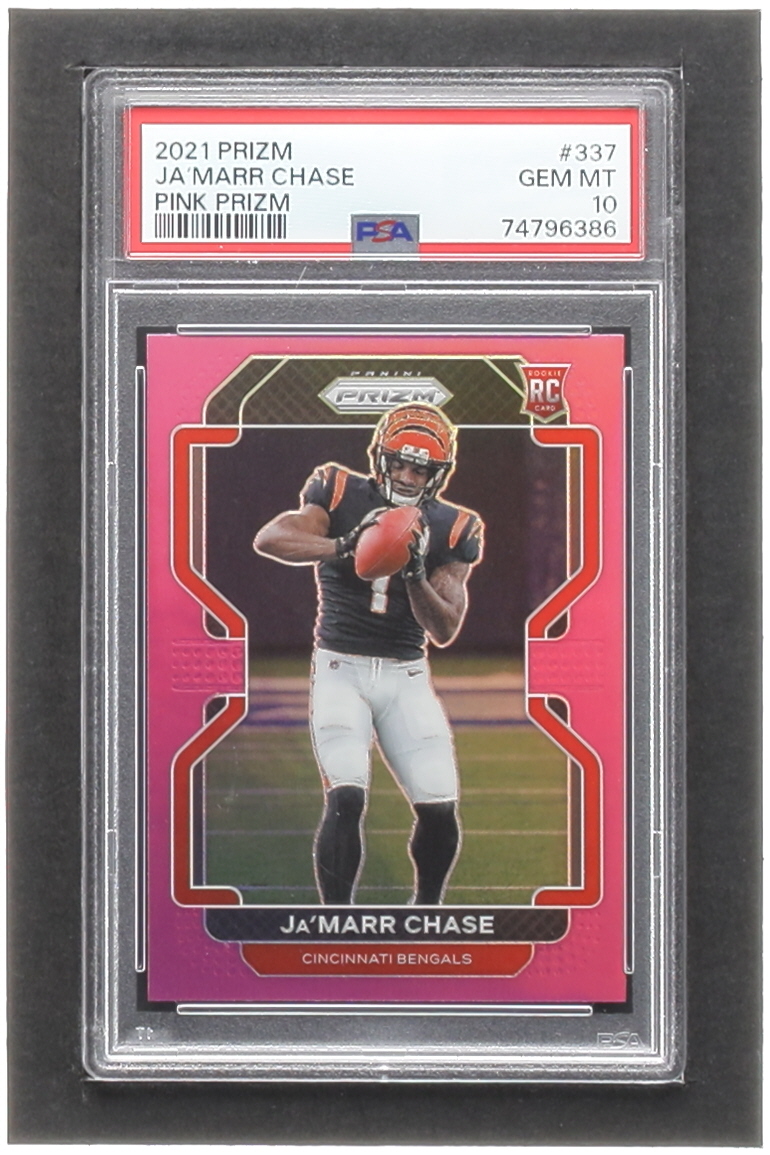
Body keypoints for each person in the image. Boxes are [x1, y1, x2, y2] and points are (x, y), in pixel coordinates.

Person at [254, 403, 484, 906]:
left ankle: (426, 915)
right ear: (380, 458)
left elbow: (445, 628)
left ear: (438, 474)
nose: (407, 476)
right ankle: (338, 921)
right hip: (341, 668)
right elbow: (271, 537)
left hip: (406, 675)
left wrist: (415, 573)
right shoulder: (339, 490)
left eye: (420, 468)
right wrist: (345, 544)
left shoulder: (454, 526)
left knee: (439, 806)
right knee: (346, 797)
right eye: (399, 463)